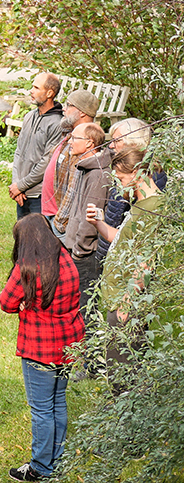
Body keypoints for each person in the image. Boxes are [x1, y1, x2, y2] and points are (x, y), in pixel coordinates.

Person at [0, 214, 84, 482]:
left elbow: (6, 302)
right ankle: (57, 461)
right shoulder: (66, 259)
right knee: (58, 403)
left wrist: (26, 303)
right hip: (68, 345)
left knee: (42, 410)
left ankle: (41, 468)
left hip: (40, 348)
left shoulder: (28, 267)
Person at [87, 148, 163, 376]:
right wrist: (99, 223)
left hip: (126, 304)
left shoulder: (154, 208)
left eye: (120, 179)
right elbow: (121, 240)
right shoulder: (140, 205)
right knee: (117, 371)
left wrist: (126, 303)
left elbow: (146, 261)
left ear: (139, 172)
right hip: (117, 299)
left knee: (123, 377)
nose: (119, 186)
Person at [60, 122, 110, 318]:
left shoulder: (97, 174)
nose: (70, 142)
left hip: (85, 255)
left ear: (90, 143)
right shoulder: (84, 166)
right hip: (74, 248)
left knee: (85, 310)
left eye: (74, 138)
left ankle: (89, 348)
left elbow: (91, 215)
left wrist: (80, 249)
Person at [96, 118, 164, 262]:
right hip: (112, 251)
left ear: (133, 142)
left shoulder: (149, 176)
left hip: (127, 263)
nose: (111, 146)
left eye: (117, 140)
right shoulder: (124, 169)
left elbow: (143, 241)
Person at [42, 89, 99, 236]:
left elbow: (73, 189)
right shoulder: (70, 134)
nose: (63, 108)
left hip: (59, 222)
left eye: (69, 105)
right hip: (50, 214)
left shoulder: (84, 143)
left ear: (82, 112)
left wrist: (58, 223)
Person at [9, 72, 63, 217]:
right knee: (22, 236)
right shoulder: (29, 116)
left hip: (39, 196)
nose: (31, 91)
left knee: (39, 238)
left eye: (36, 87)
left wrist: (20, 186)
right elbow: (18, 152)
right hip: (21, 193)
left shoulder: (57, 124)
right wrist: (16, 185)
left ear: (50, 93)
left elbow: (46, 162)